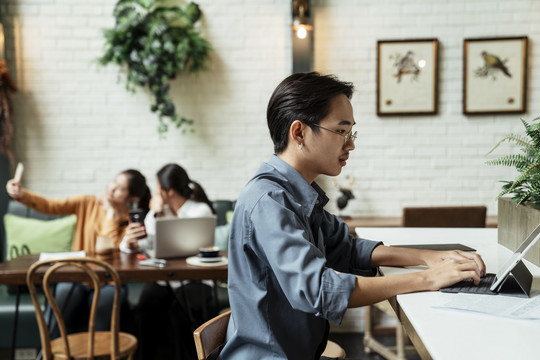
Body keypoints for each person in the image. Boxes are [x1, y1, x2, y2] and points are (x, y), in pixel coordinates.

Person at [220, 72, 486, 360]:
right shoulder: (269, 201)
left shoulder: (298, 192)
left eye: (351, 133)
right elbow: (320, 290)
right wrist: (429, 278)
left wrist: (429, 257)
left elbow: (347, 247)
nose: (351, 145)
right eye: (341, 132)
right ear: (299, 133)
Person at [6, 169, 151, 336]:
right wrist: (22, 195)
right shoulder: (88, 203)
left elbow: (104, 249)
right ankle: (53, 351)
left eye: (120, 188)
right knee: (63, 296)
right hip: (76, 275)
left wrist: (111, 213)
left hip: (109, 281)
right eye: (113, 182)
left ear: (131, 198)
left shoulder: (130, 224)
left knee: (107, 300)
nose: (111, 188)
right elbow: (51, 205)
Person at [120, 163, 215, 360]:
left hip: (194, 279)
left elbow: (171, 244)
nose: (156, 193)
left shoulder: (200, 211)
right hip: (164, 278)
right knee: (143, 311)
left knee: (180, 316)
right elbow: (144, 244)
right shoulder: (157, 212)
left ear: (168, 191)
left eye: (158, 188)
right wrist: (128, 243)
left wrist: (158, 215)